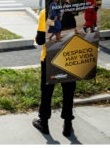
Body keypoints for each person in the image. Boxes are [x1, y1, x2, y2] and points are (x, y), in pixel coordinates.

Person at [33, 9, 76, 137]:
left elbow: (40, 40)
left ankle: (44, 123)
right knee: (69, 91)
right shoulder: (71, 10)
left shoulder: (45, 12)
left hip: (50, 56)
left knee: (47, 91)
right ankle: (67, 125)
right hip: (70, 56)